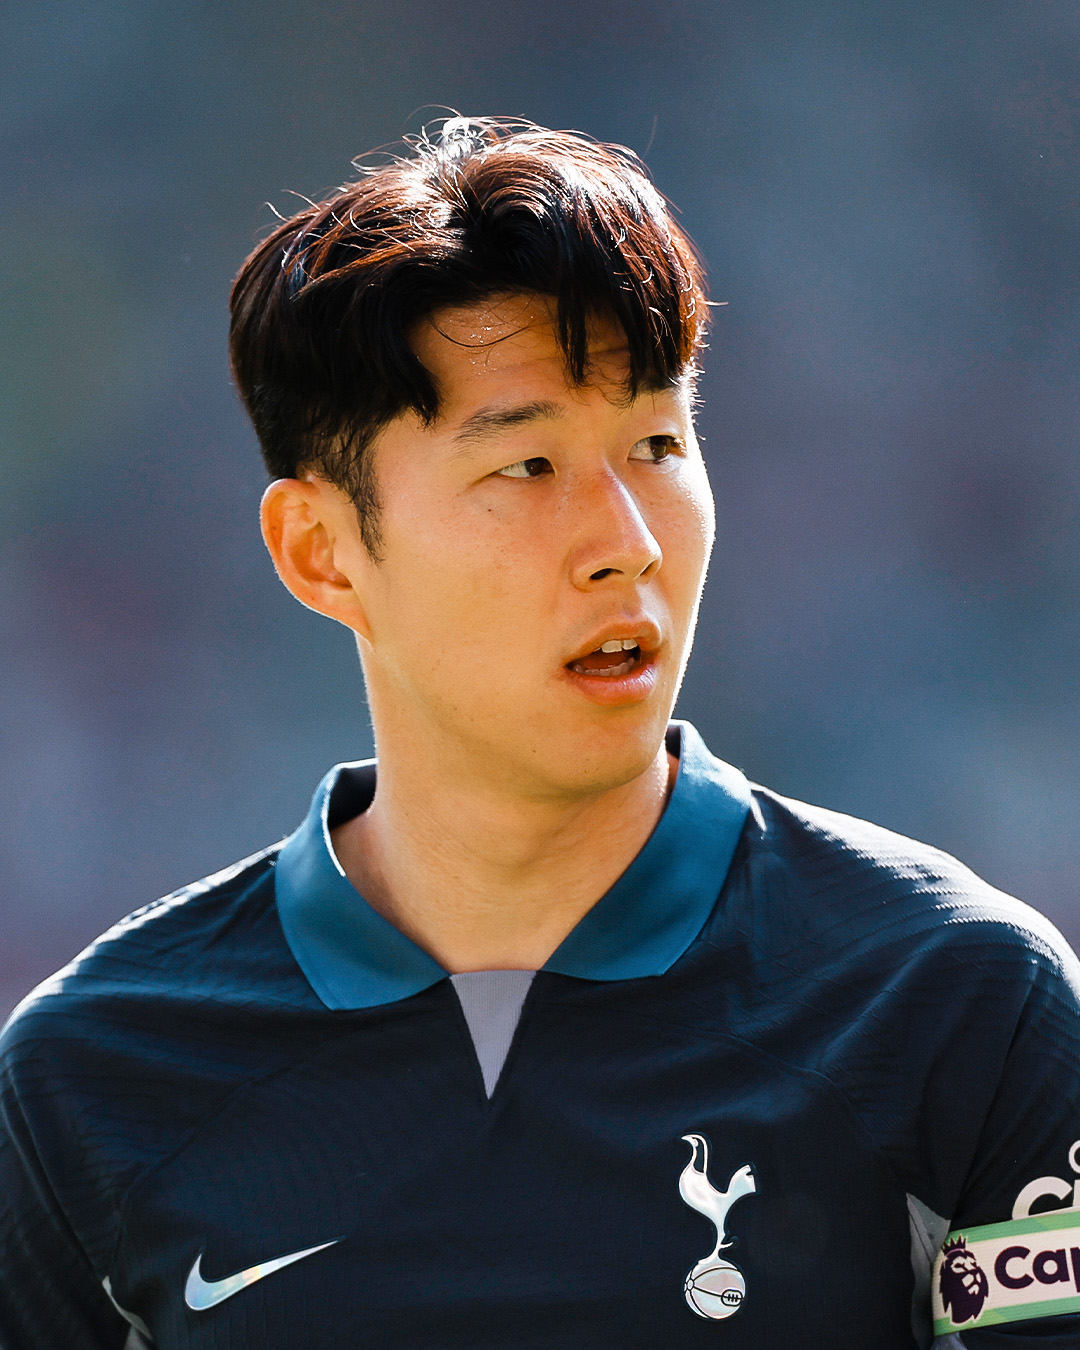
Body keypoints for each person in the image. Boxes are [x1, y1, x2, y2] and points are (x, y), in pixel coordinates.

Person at [1, 118, 1078, 1350]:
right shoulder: (90, 1079)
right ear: (322, 549)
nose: (627, 535)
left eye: (658, 444)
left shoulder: (955, 1005)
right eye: (525, 465)